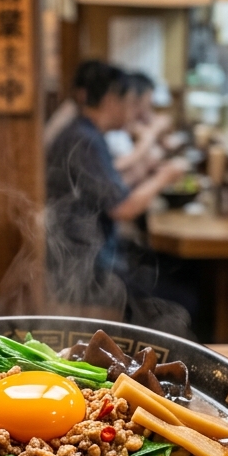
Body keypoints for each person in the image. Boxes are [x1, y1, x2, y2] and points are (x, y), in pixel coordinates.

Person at [46, 62, 188, 304]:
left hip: (94, 255)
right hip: (87, 268)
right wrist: (163, 178)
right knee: (184, 296)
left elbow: (110, 189)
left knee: (175, 270)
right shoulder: (84, 139)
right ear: (112, 99)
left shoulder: (85, 132)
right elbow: (122, 209)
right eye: (131, 103)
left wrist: (147, 172)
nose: (133, 113)